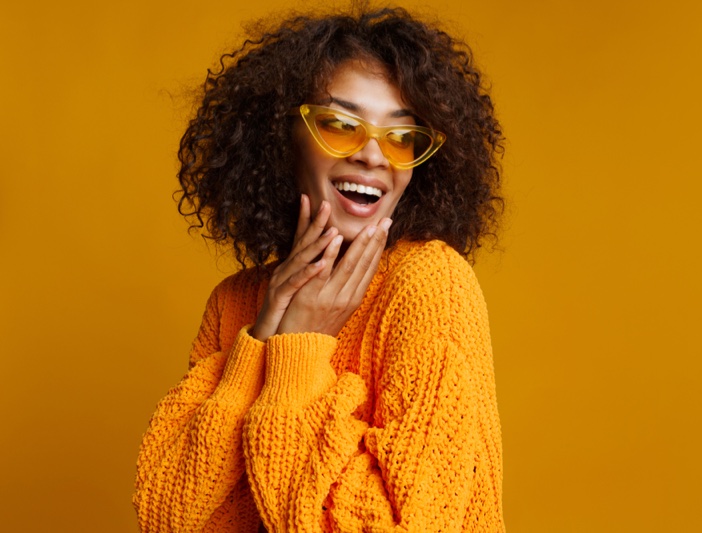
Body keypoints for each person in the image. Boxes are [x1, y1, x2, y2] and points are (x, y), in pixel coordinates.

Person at [134, 5, 504, 532]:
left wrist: (300, 352)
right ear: (281, 138)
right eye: (340, 124)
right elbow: (172, 517)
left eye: (400, 137)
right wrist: (260, 342)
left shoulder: (429, 286)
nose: (374, 156)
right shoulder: (235, 303)